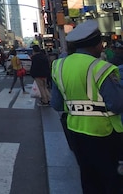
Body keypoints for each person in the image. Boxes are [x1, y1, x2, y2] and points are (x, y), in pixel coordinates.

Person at [51, 20, 123, 194]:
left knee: (88, 179)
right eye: (101, 44)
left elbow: (56, 104)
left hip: (75, 133)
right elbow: (118, 104)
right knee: (111, 182)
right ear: (96, 45)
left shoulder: (59, 66)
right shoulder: (102, 68)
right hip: (106, 134)